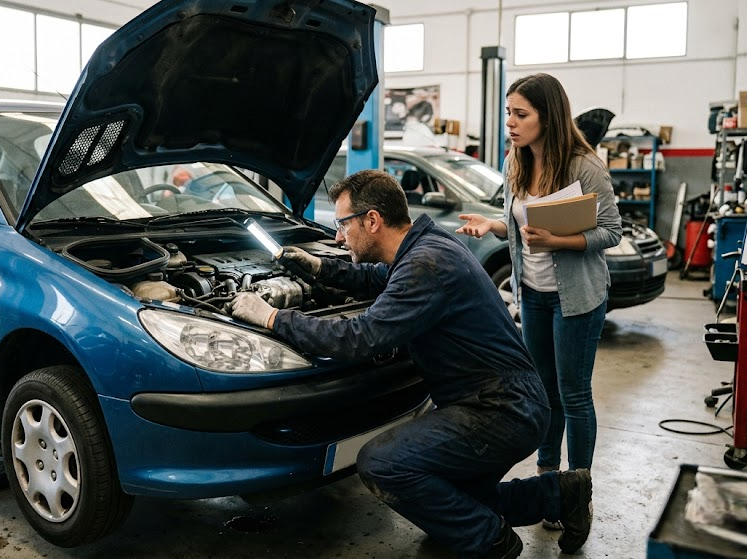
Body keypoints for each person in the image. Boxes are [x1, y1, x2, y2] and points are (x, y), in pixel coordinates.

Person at [228, 169, 593, 558]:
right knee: (454, 500)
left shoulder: (425, 265)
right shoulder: (427, 245)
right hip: (505, 400)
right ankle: (559, 494)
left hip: (502, 410)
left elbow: (358, 338)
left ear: (372, 220)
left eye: (342, 225)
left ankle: (491, 542)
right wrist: (320, 268)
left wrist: (272, 317)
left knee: (382, 463)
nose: (338, 237)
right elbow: (378, 277)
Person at [456, 73, 621, 515]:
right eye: (508, 112)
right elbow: (521, 222)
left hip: (577, 299)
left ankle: (578, 491)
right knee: (543, 392)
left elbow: (612, 231)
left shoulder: (584, 167)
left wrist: (559, 241)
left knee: (573, 395)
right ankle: (550, 481)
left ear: (547, 118)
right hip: (531, 294)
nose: (510, 122)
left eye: (521, 114)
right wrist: (494, 225)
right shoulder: (517, 160)